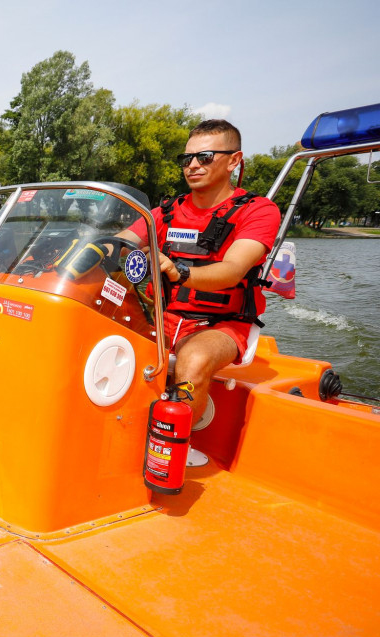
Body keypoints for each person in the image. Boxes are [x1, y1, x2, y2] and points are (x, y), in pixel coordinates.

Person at [117, 120, 281, 463]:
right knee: (102, 334)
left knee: (194, 359)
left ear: (234, 160)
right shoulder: (164, 212)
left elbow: (233, 270)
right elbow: (120, 243)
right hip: (164, 317)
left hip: (222, 324)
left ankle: (172, 452)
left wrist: (181, 272)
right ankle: (118, 433)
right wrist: (87, 252)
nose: (193, 165)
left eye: (205, 157)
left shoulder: (258, 210)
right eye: (187, 158)